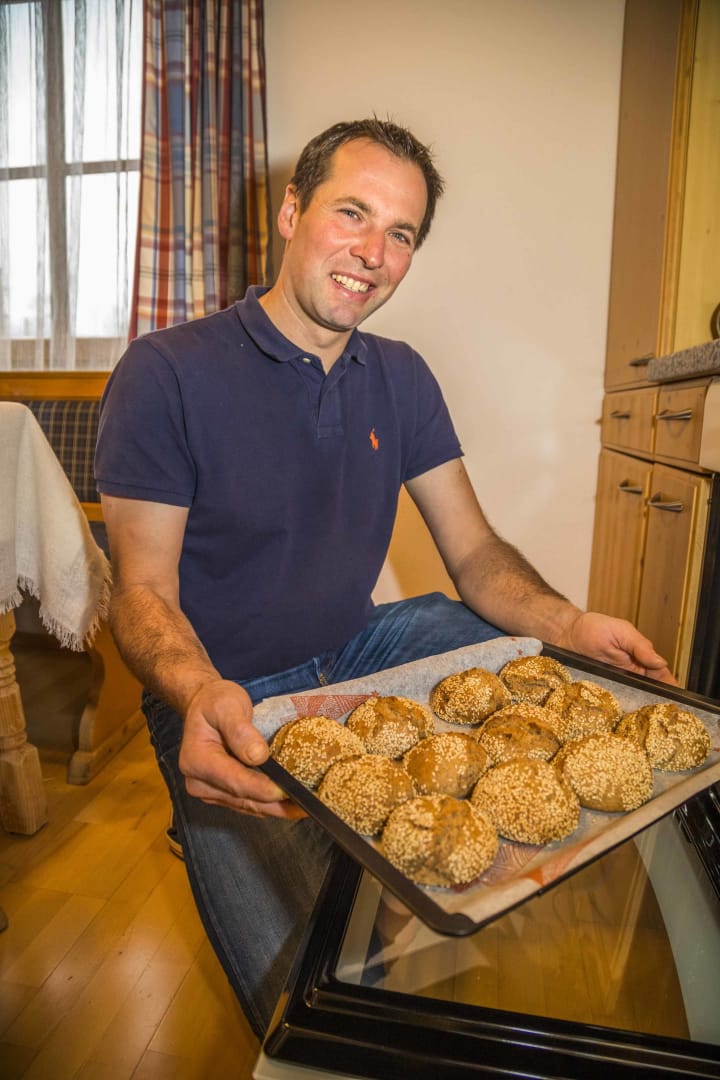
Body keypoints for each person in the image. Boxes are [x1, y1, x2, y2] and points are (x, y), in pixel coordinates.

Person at [94, 118, 674, 1039]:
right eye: (352, 213)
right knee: (303, 996)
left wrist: (569, 624)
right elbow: (143, 594)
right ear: (292, 211)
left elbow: (475, 554)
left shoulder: (402, 375)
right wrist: (197, 691)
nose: (374, 252)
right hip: (224, 684)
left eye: (400, 232)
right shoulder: (166, 371)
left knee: (517, 654)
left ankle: (407, 879)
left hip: (362, 643)